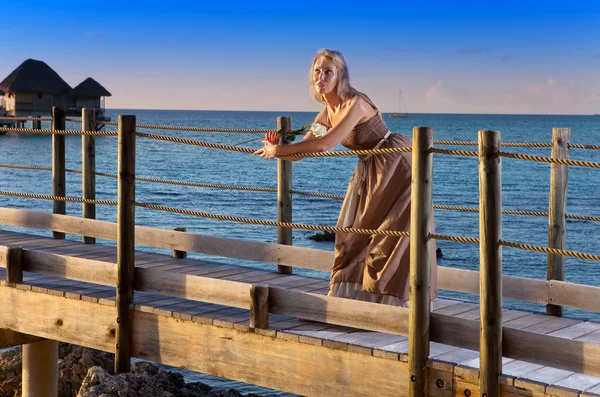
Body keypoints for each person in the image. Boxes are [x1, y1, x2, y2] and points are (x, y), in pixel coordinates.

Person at [254, 49, 437, 307]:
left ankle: (390, 306)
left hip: (396, 164)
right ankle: (345, 302)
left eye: (328, 71)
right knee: (350, 234)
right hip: (370, 167)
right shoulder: (326, 114)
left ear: (341, 75)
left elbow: (326, 143)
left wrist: (279, 151)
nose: (321, 77)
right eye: (317, 71)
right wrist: (276, 149)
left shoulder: (355, 103)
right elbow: (304, 151)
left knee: (387, 236)